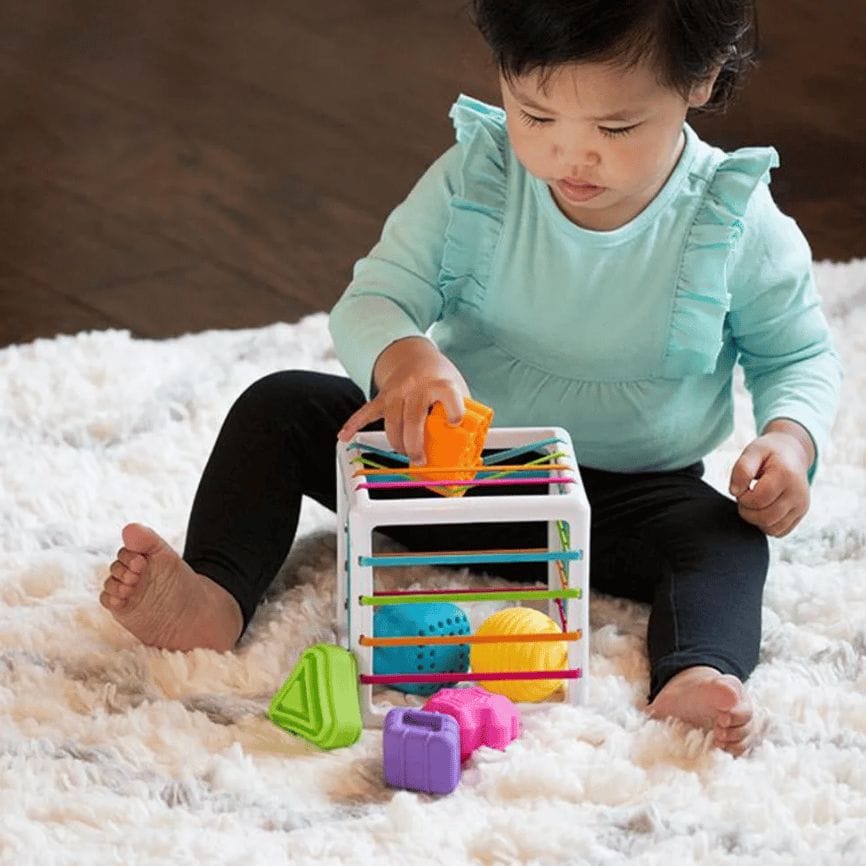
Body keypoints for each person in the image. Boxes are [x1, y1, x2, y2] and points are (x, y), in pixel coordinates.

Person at [101, 0, 842, 756]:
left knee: (724, 539)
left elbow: (799, 355)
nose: (570, 156)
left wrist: (789, 441)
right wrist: (405, 358)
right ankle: (214, 593)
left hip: (622, 503)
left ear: (701, 80)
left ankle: (695, 672)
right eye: (536, 113)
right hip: (449, 467)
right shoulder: (480, 177)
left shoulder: (733, 218)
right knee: (280, 406)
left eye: (615, 129)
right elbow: (375, 297)